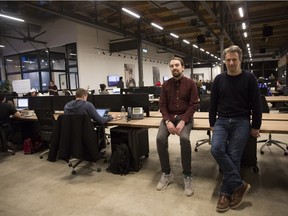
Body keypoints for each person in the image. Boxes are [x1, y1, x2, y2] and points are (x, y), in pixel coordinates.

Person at [209, 45, 262, 212]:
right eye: (228, 60)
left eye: (234, 60)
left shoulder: (249, 78)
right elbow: (213, 103)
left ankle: (225, 194)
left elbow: (257, 104)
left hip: (241, 122)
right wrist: (212, 122)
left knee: (233, 156)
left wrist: (255, 126)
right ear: (224, 61)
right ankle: (239, 185)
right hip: (222, 121)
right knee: (216, 149)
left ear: (241, 60)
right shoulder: (219, 79)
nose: (231, 63)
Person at [156, 57, 199, 196]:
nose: (174, 67)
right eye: (171, 66)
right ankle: (166, 173)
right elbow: (162, 105)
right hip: (169, 117)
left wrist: (183, 121)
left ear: (182, 67)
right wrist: (168, 121)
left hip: (185, 117)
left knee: (184, 139)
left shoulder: (191, 83)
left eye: (177, 65)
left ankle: (187, 175)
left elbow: (194, 105)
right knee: (160, 139)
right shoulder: (166, 85)